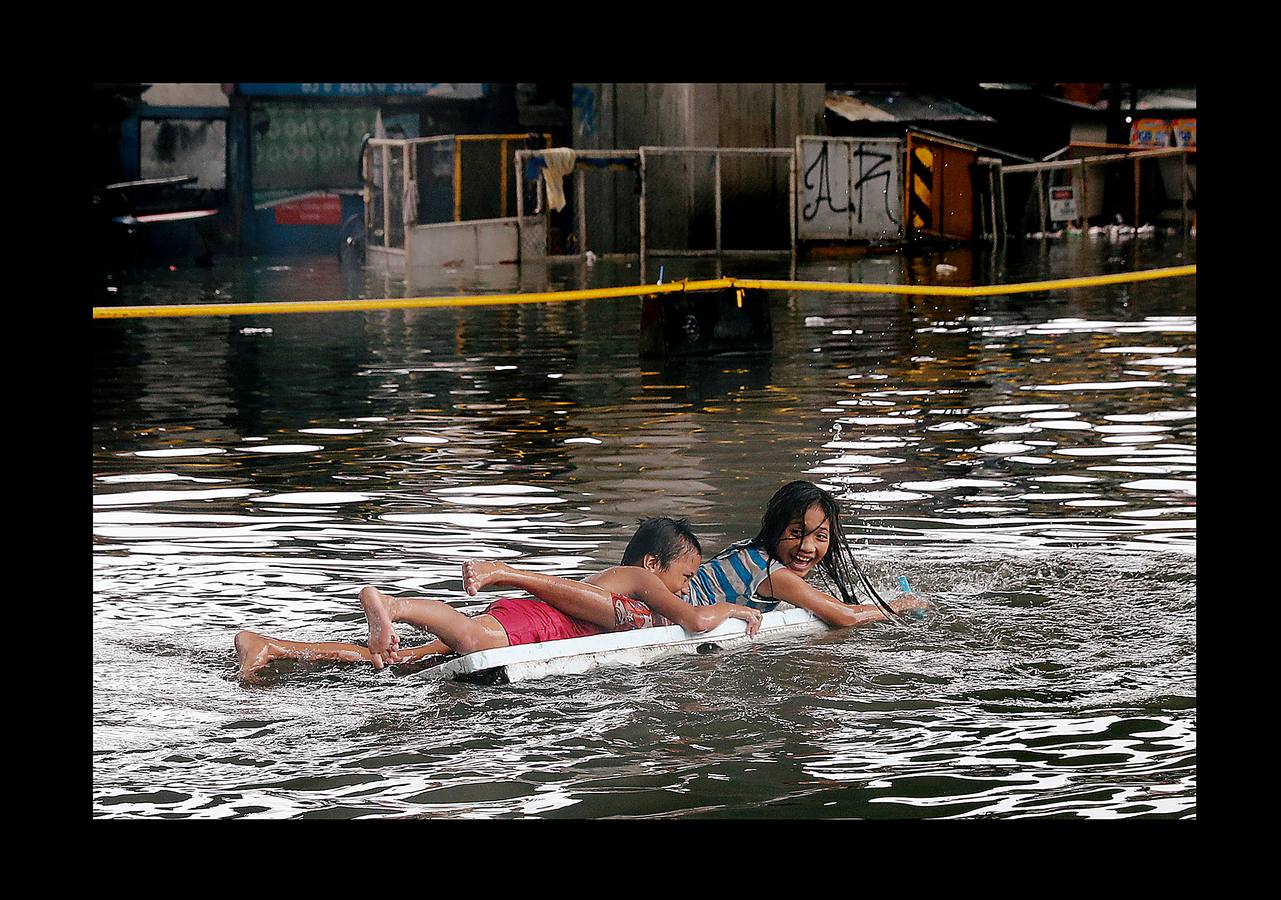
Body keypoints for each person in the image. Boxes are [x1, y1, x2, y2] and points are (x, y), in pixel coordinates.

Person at [233, 517, 761, 681]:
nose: (687, 586)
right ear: (653, 563)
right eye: (686, 574)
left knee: (403, 660)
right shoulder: (638, 580)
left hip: (533, 621)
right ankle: (390, 605)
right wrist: (737, 609)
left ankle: (271, 646)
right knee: (467, 633)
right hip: (540, 623)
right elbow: (696, 620)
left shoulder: (626, 585)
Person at [465, 481, 930, 632]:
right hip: (663, 604)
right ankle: (507, 573)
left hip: (656, 592)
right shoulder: (774, 573)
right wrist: (896, 607)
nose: (808, 547)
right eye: (796, 534)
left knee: (540, 615)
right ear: (775, 531)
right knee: (554, 609)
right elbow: (843, 616)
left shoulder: (748, 554)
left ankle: (433, 646)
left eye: (821, 538)